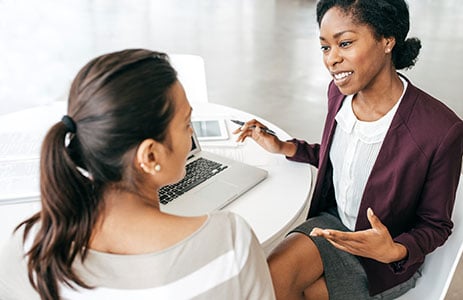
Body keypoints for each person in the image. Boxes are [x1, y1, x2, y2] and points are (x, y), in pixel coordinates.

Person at [234, 0, 463, 299]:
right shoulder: (339, 93)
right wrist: (285, 147)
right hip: (332, 225)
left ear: (387, 40)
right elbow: (344, 159)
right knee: (264, 285)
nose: (332, 59)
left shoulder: (441, 130)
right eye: (325, 47)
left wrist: (394, 250)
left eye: (344, 43)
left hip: (382, 261)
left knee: (304, 294)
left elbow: (436, 224)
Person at [0, 49, 275, 300]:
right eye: (186, 124)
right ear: (150, 155)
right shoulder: (229, 242)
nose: (192, 134)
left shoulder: (28, 250)